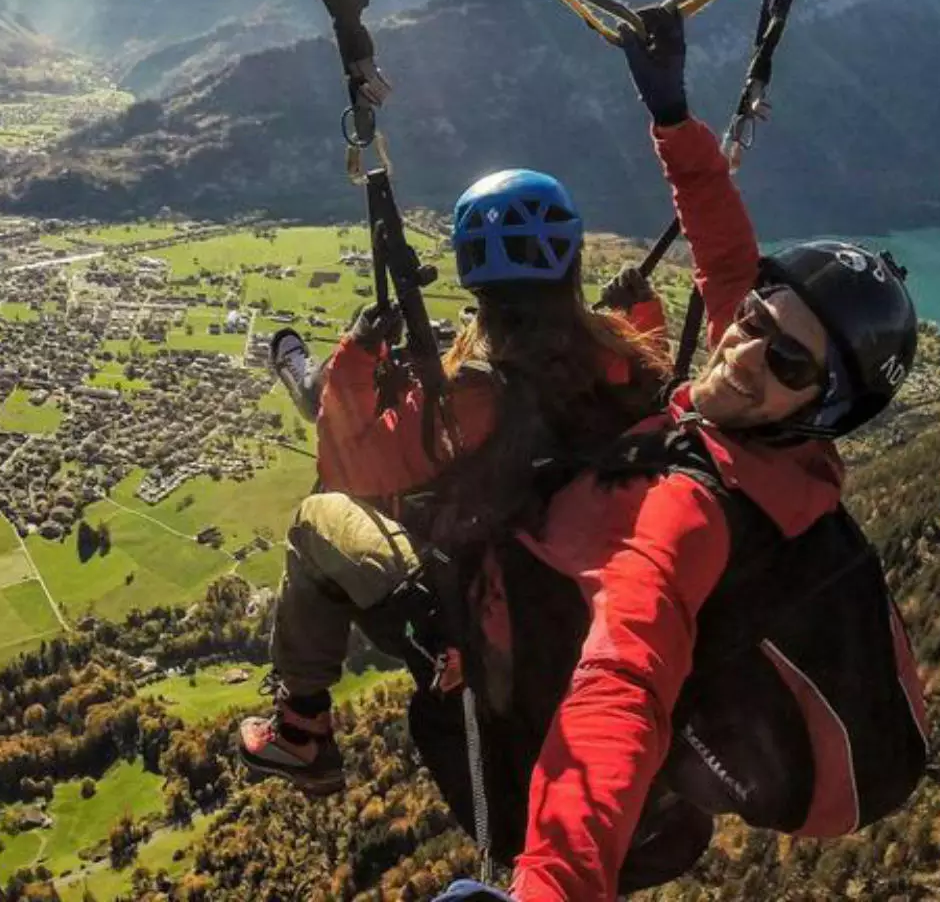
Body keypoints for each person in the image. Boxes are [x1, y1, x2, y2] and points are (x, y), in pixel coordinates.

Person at [413, 7, 929, 901]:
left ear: (825, 406)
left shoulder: (689, 509)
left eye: (788, 358)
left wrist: (553, 889)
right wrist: (673, 117)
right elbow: (727, 251)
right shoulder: (773, 435)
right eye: (759, 319)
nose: (742, 346)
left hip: (575, 697)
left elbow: (622, 688)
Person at [235, 170, 670, 794]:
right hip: (571, 584)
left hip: (470, 604)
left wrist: (358, 357)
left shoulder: (476, 395)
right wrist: (643, 313)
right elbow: (638, 383)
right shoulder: (618, 357)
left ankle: (300, 731)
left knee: (317, 518)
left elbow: (347, 463)